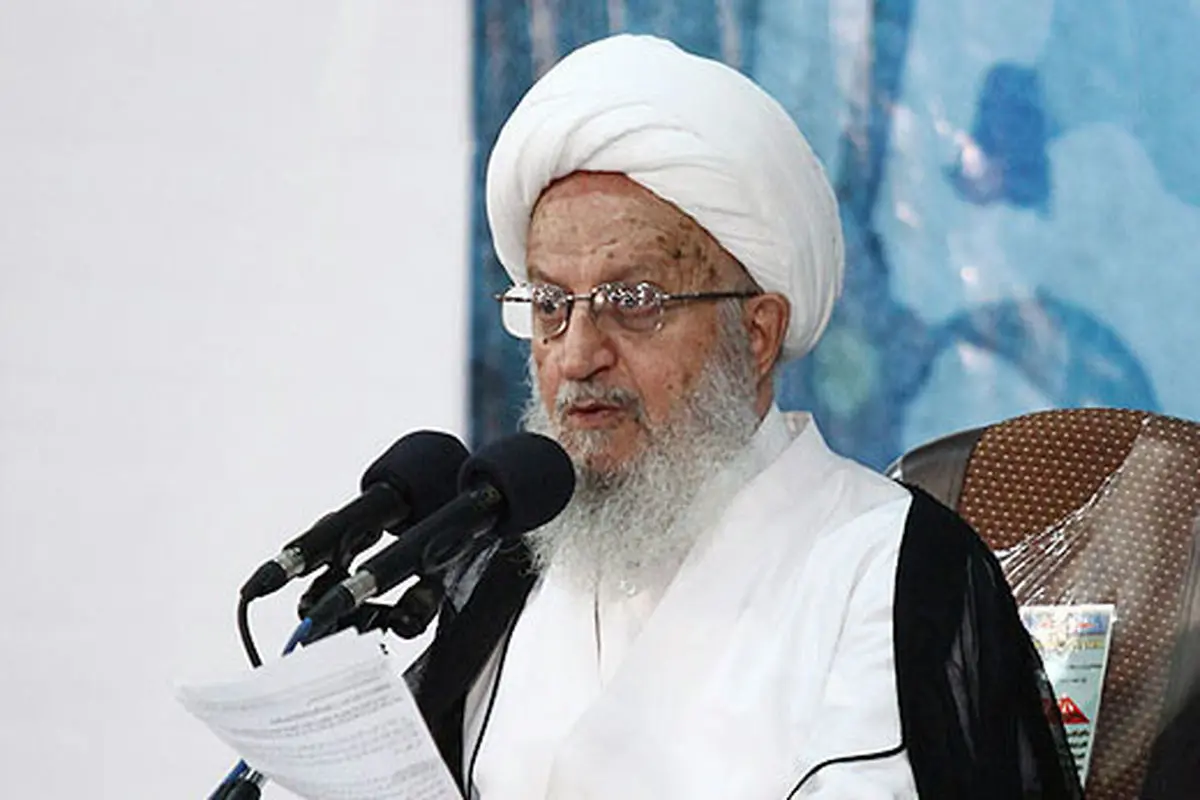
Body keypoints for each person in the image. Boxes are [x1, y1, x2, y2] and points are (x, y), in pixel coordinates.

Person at [407, 34, 1082, 799]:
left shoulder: (885, 571)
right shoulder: (505, 577)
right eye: (551, 304)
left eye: (634, 301)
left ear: (755, 335)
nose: (578, 354)